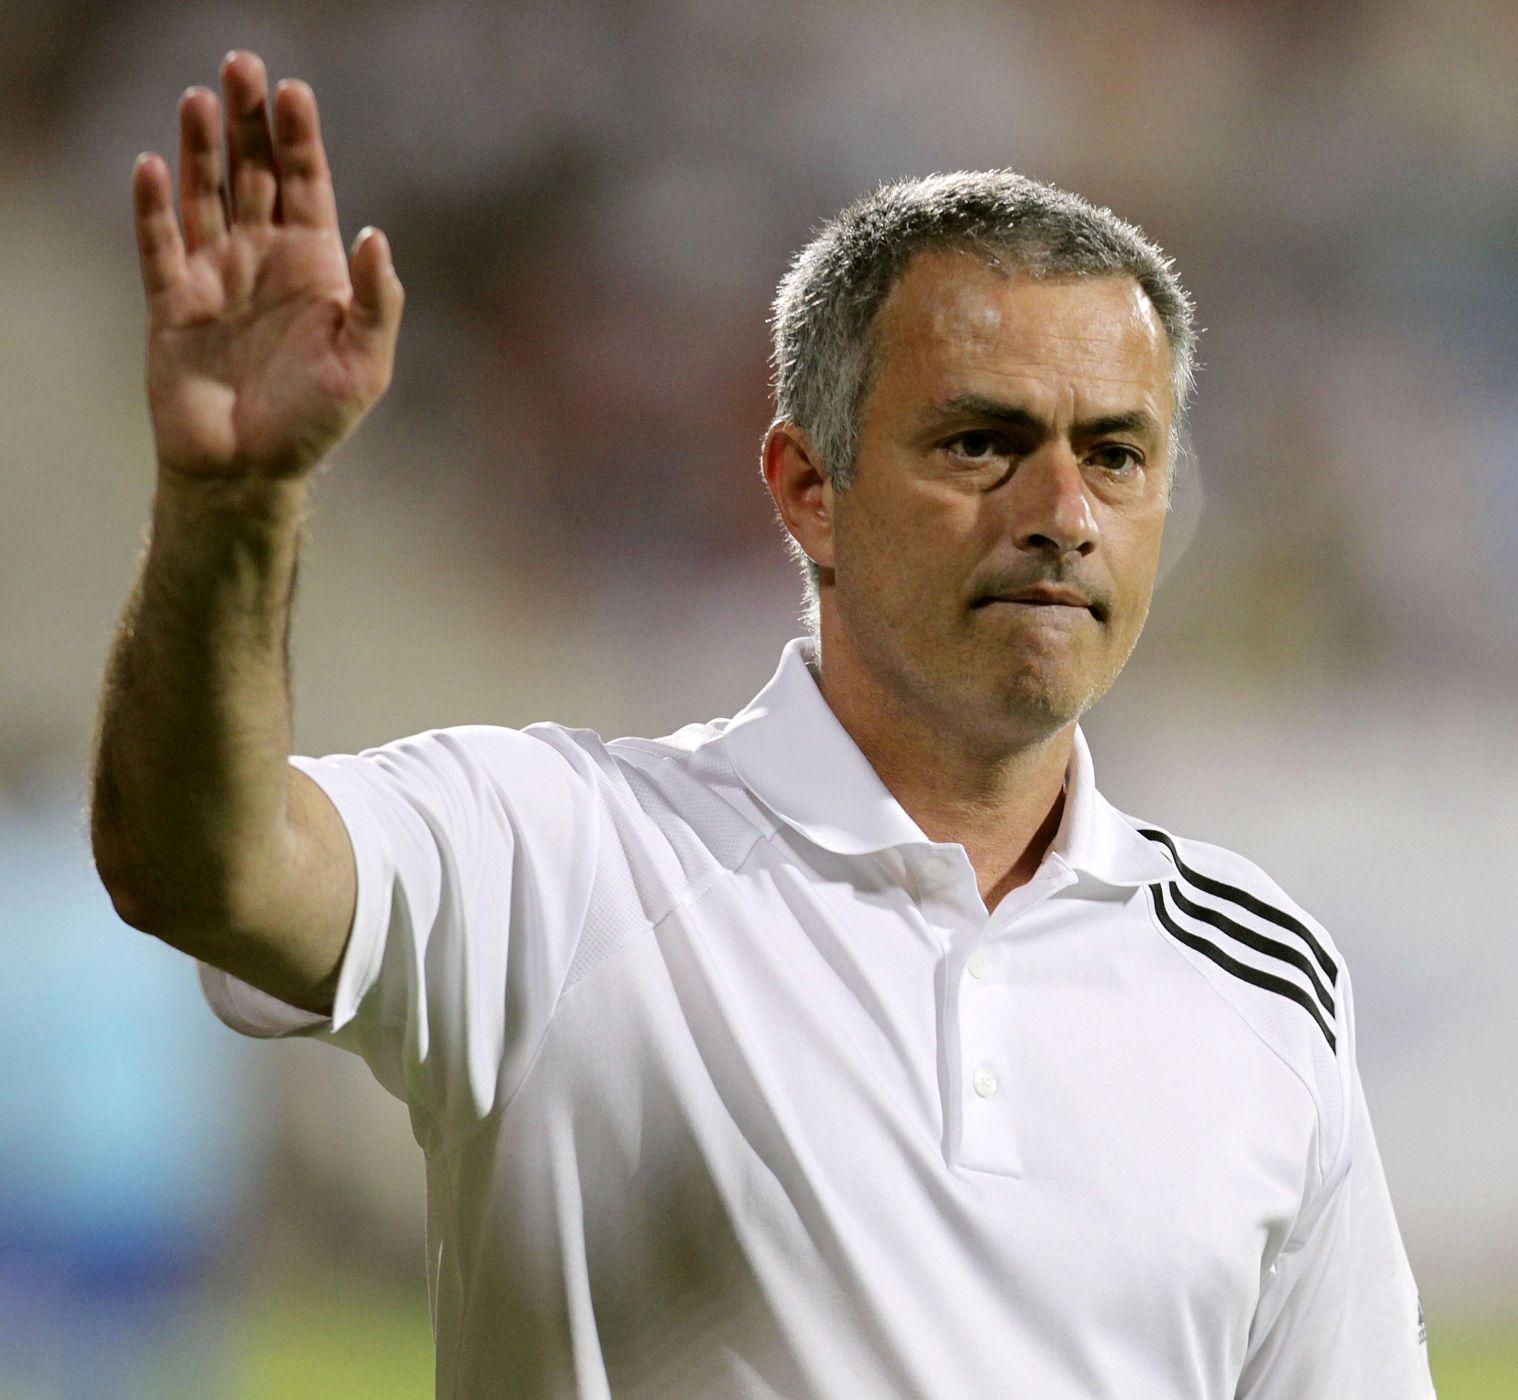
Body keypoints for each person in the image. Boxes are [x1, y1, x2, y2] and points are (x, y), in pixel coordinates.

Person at [90, 49, 1436, 1400]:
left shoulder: (1256, 975)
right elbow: (202, 864)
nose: (1061, 510)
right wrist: (234, 505)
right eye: (980, 442)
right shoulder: (562, 855)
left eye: (1117, 454)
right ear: (806, 488)